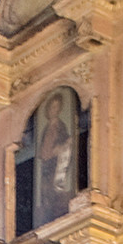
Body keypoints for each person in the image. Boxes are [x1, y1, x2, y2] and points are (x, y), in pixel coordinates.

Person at [35, 92, 74, 224]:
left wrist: (60, 148)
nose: (54, 110)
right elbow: (42, 147)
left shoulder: (60, 126)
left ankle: (56, 215)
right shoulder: (46, 127)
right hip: (47, 162)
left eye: (57, 108)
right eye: (52, 107)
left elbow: (65, 142)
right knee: (46, 190)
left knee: (55, 189)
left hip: (56, 163)